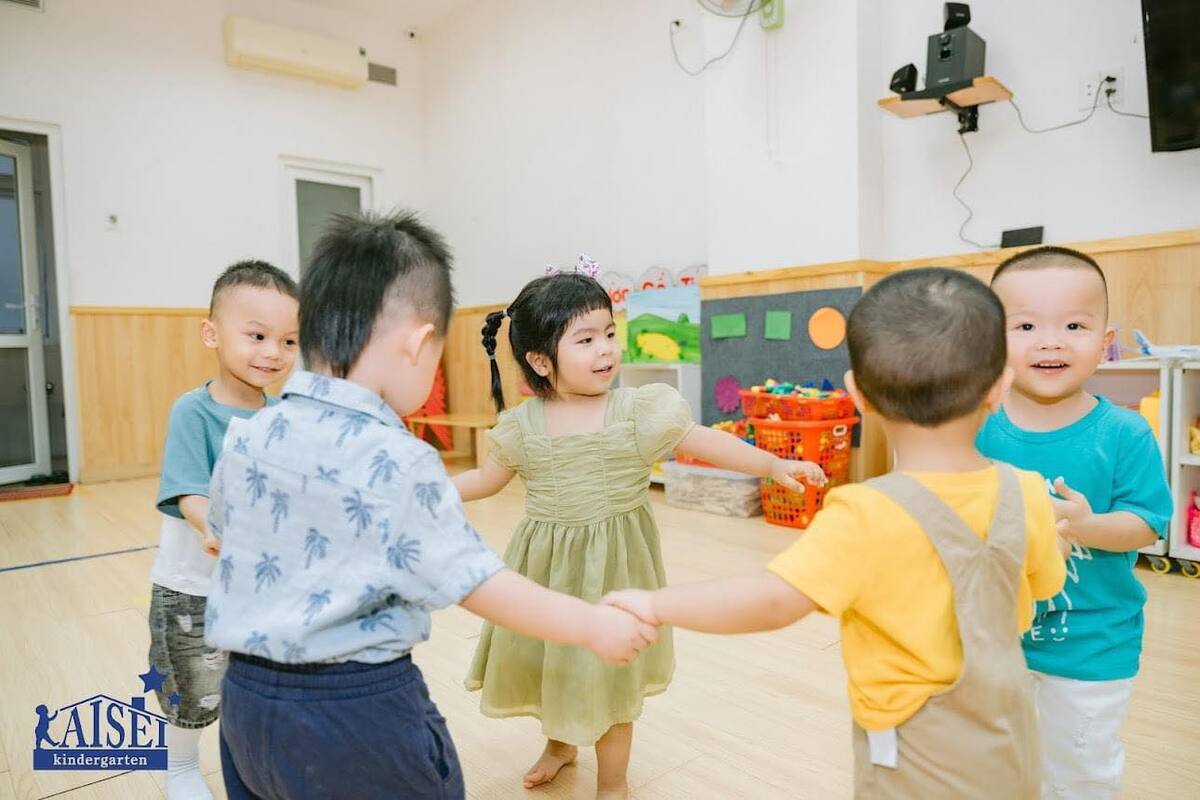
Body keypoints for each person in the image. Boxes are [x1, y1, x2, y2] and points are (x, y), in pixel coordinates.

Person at [204, 213, 657, 800]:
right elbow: (481, 585)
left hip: (244, 705)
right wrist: (591, 623)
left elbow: (221, 532)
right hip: (356, 715)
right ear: (419, 344)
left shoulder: (246, 436)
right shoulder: (399, 460)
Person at [604, 268, 1068, 798]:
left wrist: (655, 605)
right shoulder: (1027, 492)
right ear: (1000, 387)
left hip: (911, 750)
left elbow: (773, 599)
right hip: (1009, 734)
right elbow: (1046, 581)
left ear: (857, 396)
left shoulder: (864, 512)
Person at [456, 267, 825, 799]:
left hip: (616, 571)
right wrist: (430, 492)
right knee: (555, 664)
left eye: (609, 333)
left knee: (608, 678)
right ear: (540, 360)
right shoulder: (522, 425)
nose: (605, 349)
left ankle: (614, 784)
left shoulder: (636, 412)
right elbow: (487, 479)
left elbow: (703, 441)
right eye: (585, 340)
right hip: (547, 569)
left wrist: (772, 464)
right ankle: (560, 746)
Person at [979, 246, 1172, 799]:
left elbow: (1145, 524)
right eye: (1026, 325)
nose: (1051, 340)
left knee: (1080, 772)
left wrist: (1084, 525)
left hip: (1092, 646)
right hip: (994, 642)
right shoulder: (975, 426)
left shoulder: (1124, 433)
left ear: (1104, 339)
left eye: (1074, 324)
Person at [148, 260, 299, 799]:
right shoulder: (193, 411)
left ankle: (252, 764)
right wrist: (212, 526)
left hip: (261, 588)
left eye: (287, 340)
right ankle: (181, 768)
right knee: (191, 687)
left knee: (255, 684)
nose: (273, 353)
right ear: (211, 334)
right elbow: (189, 492)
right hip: (194, 586)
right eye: (257, 335)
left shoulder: (284, 414)